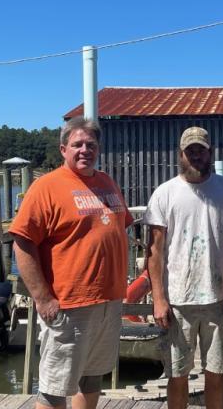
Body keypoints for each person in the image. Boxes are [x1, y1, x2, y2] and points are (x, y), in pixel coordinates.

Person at [10, 117, 133, 409]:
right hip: (68, 305)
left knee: (91, 379)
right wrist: (42, 297)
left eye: (91, 144)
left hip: (108, 301)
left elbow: (119, 226)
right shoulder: (46, 187)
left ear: (98, 149)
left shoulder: (107, 182)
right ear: (63, 149)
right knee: (55, 387)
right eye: (77, 144)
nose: (84, 150)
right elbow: (22, 242)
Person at [145, 126, 223, 409]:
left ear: (210, 153)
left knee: (216, 374)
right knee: (177, 375)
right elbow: (154, 252)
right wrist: (158, 299)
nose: (195, 155)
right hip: (177, 301)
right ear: (180, 154)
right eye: (189, 150)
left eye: (200, 150)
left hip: (219, 299)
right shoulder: (164, 193)